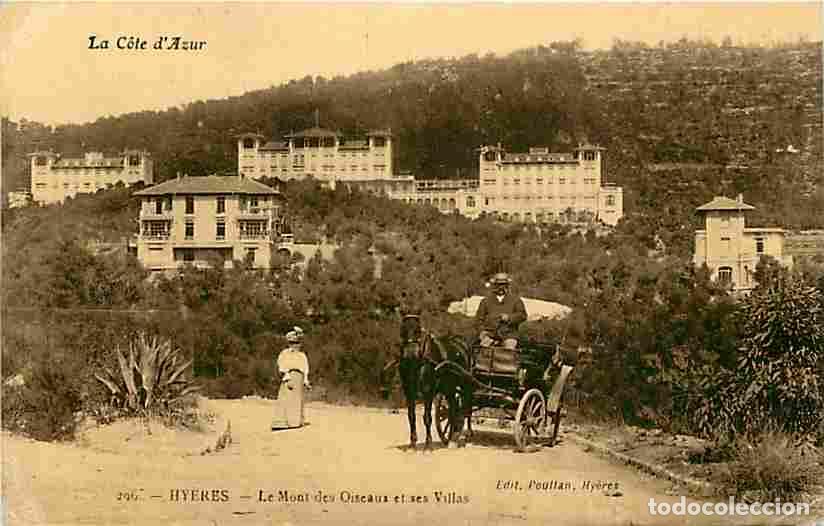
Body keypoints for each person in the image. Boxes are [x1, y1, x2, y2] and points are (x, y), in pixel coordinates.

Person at [475, 273, 527, 350]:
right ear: (494, 285)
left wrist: (509, 318)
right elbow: (479, 319)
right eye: (498, 285)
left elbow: (523, 315)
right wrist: (482, 332)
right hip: (490, 334)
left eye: (504, 285)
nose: (501, 287)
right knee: (484, 351)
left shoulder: (516, 300)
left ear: (507, 285)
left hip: (509, 334)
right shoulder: (485, 301)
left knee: (509, 351)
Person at [272, 327, 310, 430]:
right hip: (289, 376)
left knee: (297, 400)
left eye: (297, 343)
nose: (295, 345)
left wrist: (305, 380)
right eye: (293, 343)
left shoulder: (302, 355)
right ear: (289, 343)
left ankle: (296, 422)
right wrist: (287, 377)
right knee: (286, 399)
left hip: (299, 378)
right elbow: (282, 365)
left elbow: (305, 368)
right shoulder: (285, 353)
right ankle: (282, 422)